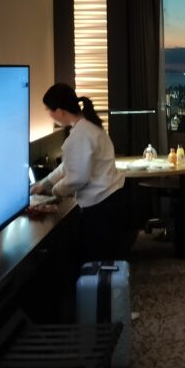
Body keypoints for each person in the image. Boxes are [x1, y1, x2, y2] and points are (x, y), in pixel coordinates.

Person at [31, 83, 130, 261]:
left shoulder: (79, 135)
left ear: (59, 111)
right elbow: (69, 165)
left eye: (48, 110)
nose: (49, 115)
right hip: (111, 198)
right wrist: (44, 183)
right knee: (107, 258)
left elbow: (77, 178)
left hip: (101, 205)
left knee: (98, 260)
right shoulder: (89, 126)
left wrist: (54, 192)